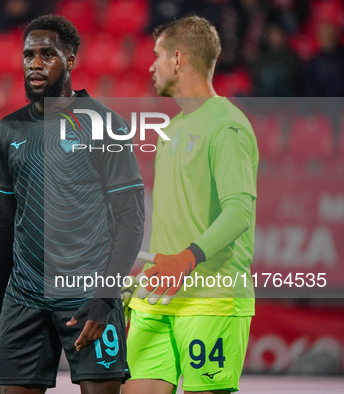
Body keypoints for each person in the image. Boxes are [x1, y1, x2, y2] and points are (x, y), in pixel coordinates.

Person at [0, 15, 145, 393]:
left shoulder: (105, 125)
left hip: (86, 294)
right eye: (28, 55)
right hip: (23, 296)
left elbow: (131, 221)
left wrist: (105, 298)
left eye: (47, 55)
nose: (35, 64)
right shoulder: (10, 129)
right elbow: (7, 222)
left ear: (70, 61)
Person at [123, 16, 258, 394]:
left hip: (211, 298)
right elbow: (177, 221)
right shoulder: (172, 130)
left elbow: (238, 214)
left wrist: (185, 260)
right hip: (159, 297)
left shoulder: (228, 126)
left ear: (178, 59)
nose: (151, 65)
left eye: (158, 55)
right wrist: (147, 277)